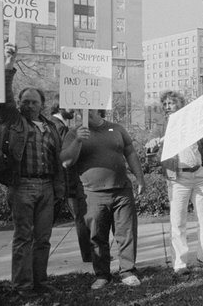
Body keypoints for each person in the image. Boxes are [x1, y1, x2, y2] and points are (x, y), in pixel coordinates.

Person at [0, 42, 65, 296]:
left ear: (42, 105)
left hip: (46, 186)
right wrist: (8, 64)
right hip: (22, 185)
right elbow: (4, 98)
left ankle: (40, 281)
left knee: (43, 238)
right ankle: (22, 285)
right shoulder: (13, 121)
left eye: (33, 102)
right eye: (24, 101)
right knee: (23, 237)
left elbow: (57, 160)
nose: (28, 105)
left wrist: (58, 188)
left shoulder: (50, 127)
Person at [61, 109, 146, 289]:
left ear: (99, 108)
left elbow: (130, 153)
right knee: (97, 236)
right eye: (81, 110)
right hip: (92, 193)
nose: (86, 112)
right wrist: (77, 140)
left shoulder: (117, 129)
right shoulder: (73, 133)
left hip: (122, 190)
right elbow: (66, 162)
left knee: (126, 233)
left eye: (90, 108)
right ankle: (102, 275)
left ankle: (127, 271)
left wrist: (139, 177)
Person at [145, 91, 203, 275]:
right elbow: (151, 148)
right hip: (178, 177)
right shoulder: (161, 125)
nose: (168, 106)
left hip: (199, 175)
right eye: (165, 103)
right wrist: (153, 144)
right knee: (178, 221)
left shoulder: (193, 122)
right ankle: (180, 263)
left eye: (171, 103)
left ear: (181, 104)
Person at [48, 103, 93, 263]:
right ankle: (89, 254)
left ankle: (89, 254)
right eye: (69, 106)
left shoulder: (59, 124)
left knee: (80, 217)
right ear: (59, 107)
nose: (73, 110)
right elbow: (63, 155)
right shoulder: (58, 126)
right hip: (69, 181)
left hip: (68, 181)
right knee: (80, 217)